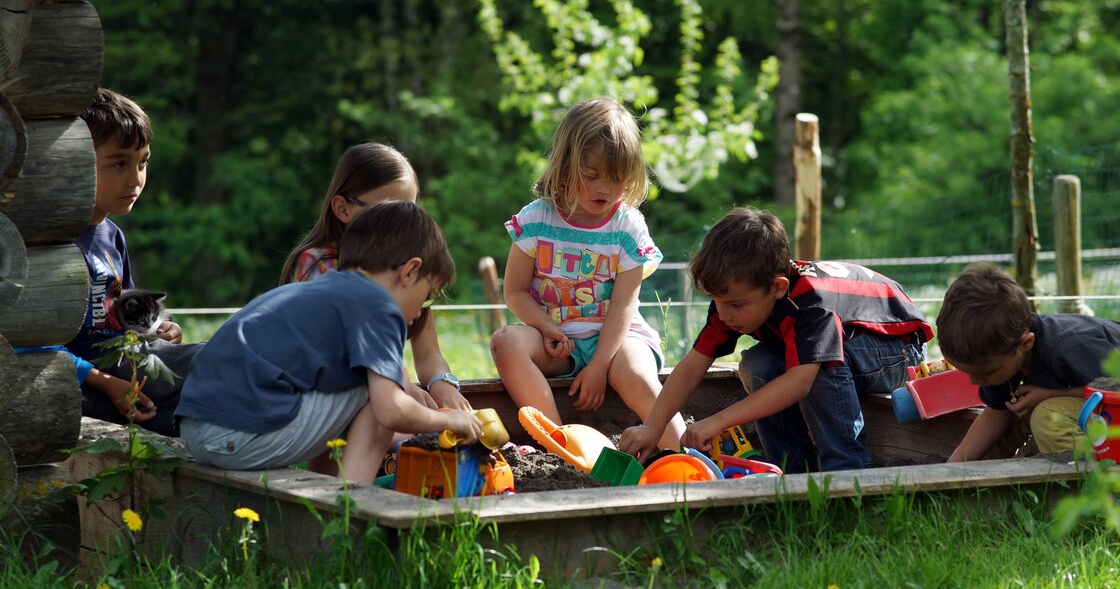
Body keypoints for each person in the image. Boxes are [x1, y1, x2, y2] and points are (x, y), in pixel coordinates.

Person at [176, 202, 482, 483]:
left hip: (195, 427)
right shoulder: (379, 305)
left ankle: (326, 492)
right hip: (237, 435)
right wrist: (448, 421)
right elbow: (390, 410)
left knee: (353, 380)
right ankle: (349, 512)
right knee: (382, 390)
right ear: (410, 270)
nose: (418, 313)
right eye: (427, 296)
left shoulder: (326, 290)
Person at [619, 208, 932, 472]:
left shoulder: (810, 303)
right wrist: (653, 426)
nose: (724, 314)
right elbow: (691, 367)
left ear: (778, 287)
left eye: (736, 305)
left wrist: (719, 420)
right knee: (759, 363)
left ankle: (847, 470)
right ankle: (793, 471)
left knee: (818, 360)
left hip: (897, 352)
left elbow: (799, 382)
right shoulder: (733, 301)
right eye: (718, 301)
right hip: (851, 347)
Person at [490, 97, 684, 448]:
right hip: (557, 341)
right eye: (592, 175)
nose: (605, 189)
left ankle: (688, 454)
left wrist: (598, 366)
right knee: (505, 342)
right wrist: (546, 326)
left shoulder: (627, 227)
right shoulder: (537, 219)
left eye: (617, 178)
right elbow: (515, 291)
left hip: (618, 338)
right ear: (565, 167)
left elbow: (624, 305)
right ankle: (560, 444)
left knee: (639, 376)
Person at [280, 142, 472, 415]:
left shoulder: (410, 268)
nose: (401, 224)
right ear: (343, 209)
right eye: (387, 209)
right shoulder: (321, 265)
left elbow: (429, 354)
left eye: (408, 210)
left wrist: (443, 385)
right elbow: (351, 349)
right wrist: (401, 385)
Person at [61, 89, 202, 436]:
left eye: (143, 162)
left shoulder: (113, 236)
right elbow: (29, 340)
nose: (136, 179)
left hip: (127, 369)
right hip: (82, 385)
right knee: (210, 365)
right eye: (119, 163)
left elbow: (125, 318)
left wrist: (158, 331)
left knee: (217, 364)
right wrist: (104, 382)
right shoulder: (50, 241)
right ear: (76, 162)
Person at [938, 263, 1120, 462]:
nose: (975, 381)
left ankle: (1101, 485)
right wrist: (949, 471)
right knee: (1012, 417)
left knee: (1046, 416)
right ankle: (975, 487)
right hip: (1102, 407)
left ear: (1026, 343)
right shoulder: (1000, 352)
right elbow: (995, 416)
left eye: (985, 373)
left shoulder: (1072, 346)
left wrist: (1047, 395)